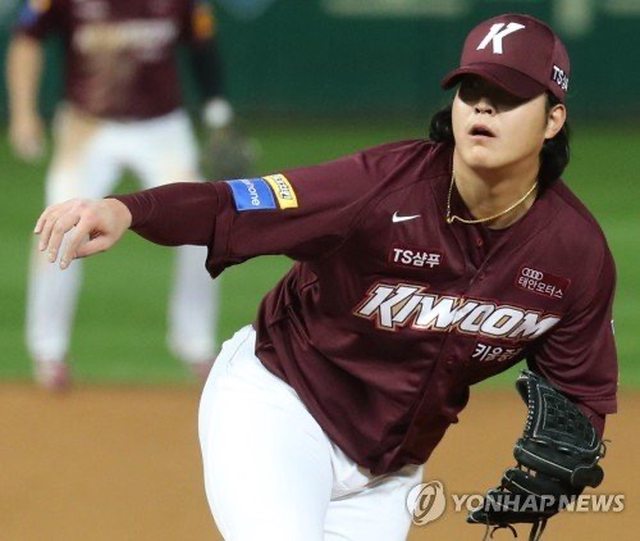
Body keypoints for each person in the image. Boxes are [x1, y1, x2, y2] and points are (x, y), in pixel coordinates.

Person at [33, 13, 617, 541]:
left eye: (508, 96)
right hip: (278, 412)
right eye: (472, 91)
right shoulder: (378, 187)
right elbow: (234, 203)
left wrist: (569, 448)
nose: (483, 108)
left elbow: (581, 391)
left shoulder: (575, 256)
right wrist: (127, 209)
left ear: (553, 119)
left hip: (389, 473)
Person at [7, 0, 235, 390]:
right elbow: (26, 39)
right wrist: (23, 112)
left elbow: (201, 42)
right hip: (86, 125)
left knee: (203, 225)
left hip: (162, 127)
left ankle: (197, 345)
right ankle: (48, 351)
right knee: (60, 225)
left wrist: (217, 110)